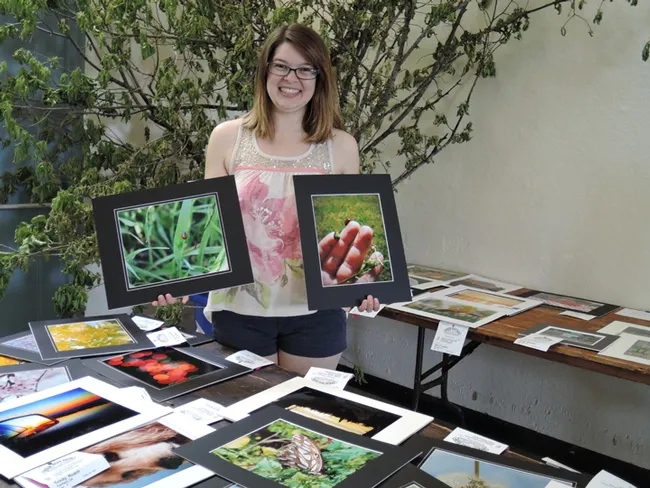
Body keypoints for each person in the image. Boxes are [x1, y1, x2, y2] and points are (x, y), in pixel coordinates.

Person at [153, 23, 382, 375]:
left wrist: (365, 286)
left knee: (305, 418)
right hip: (240, 310)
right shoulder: (227, 138)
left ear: (320, 78)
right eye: (282, 66)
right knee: (244, 419)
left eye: (306, 69)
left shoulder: (342, 146)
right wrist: (178, 277)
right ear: (265, 71)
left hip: (314, 314)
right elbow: (205, 228)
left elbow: (350, 231)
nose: (293, 78)